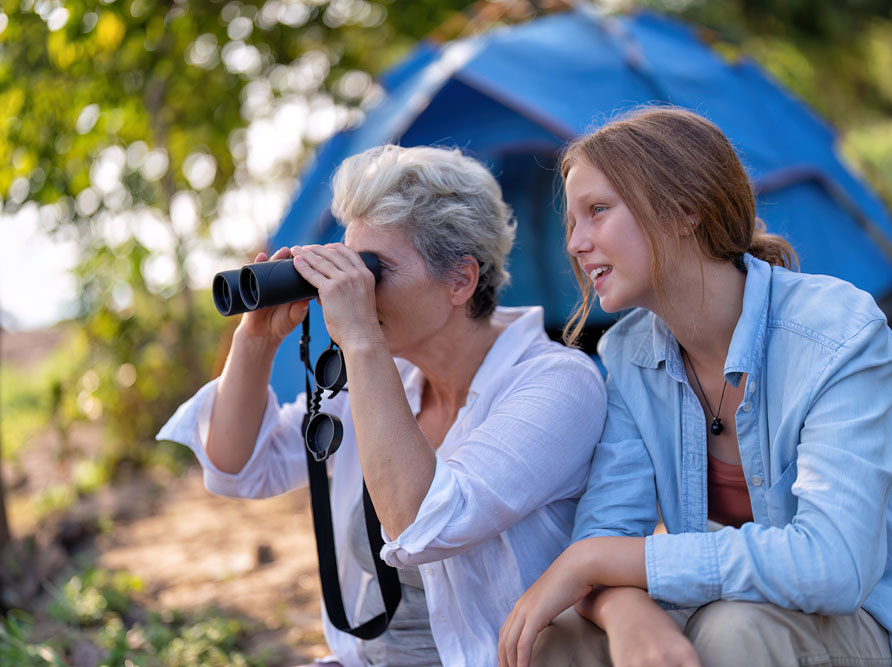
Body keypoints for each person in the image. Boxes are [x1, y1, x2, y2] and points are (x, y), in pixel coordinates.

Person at [498, 107, 892, 667]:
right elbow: (607, 528)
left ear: (685, 208)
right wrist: (622, 608)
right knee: (559, 636)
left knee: (733, 632)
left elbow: (834, 564)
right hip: (753, 621)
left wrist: (596, 562)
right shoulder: (629, 353)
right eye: (572, 222)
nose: (574, 243)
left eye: (597, 211)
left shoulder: (836, 331)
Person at [157, 144, 606, 666]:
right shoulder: (388, 379)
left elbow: (423, 525)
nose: (356, 289)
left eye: (375, 270)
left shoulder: (557, 383)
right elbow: (239, 465)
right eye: (351, 262)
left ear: (460, 280)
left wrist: (362, 339)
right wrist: (255, 340)